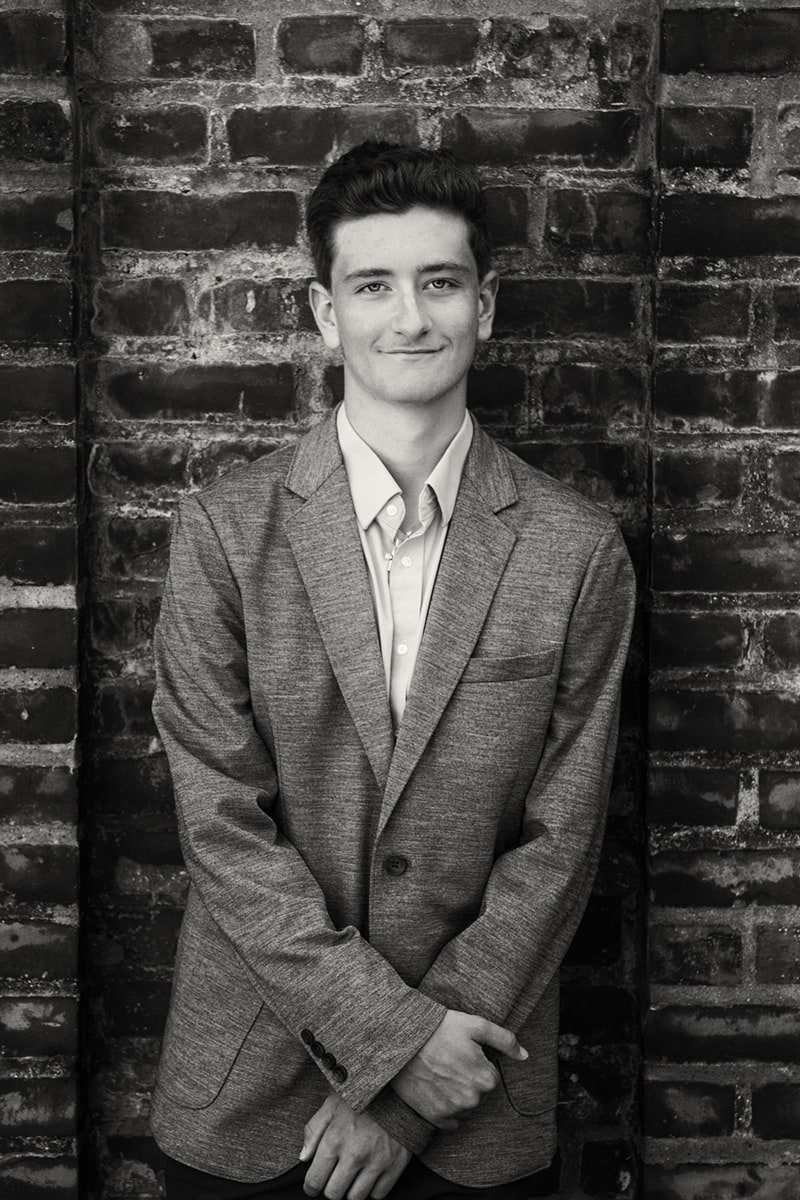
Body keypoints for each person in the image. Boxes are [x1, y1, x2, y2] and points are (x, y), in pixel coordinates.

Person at [149, 142, 636, 1200]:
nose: (408, 318)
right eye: (372, 285)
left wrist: (415, 1088)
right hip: (250, 1090)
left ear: (484, 305)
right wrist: (390, 1040)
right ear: (325, 314)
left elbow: (563, 842)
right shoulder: (224, 533)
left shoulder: (574, 549)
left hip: (472, 1092)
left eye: (439, 282)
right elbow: (220, 826)